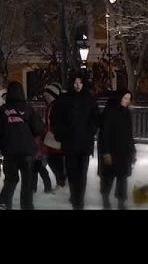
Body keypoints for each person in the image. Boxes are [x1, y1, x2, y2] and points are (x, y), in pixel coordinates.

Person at [0, 81, 44, 210]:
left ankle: (3, 203)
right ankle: (27, 206)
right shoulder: (28, 109)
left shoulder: (2, 111)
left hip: (9, 152)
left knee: (11, 180)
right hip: (27, 152)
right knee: (27, 182)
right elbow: (39, 128)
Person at [52, 73, 99, 209]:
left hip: (84, 144)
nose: (78, 85)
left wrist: (90, 130)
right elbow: (56, 119)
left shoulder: (89, 99)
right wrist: (61, 134)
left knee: (82, 175)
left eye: (80, 82)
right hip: (70, 144)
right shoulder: (64, 99)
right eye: (75, 82)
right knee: (72, 174)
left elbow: (95, 118)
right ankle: (75, 198)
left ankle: (79, 201)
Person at [98, 89, 136, 210]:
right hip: (111, 150)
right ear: (119, 98)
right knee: (108, 177)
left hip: (124, 151)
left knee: (122, 177)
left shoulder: (127, 113)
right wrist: (106, 152)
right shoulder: (109, 113)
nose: (127, 101)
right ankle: (105, 198)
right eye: (125, 98)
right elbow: (104, 134)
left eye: (129, 99)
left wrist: (132, 151)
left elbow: (129, 134)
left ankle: (121, 202)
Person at [41, 83, 66, 189]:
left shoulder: (55, 106)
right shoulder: (52, 106)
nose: (45, 98)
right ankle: (61, 181)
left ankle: (61, 182)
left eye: (47, 95)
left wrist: (49, 131)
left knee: (55, 161)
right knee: (54, 161)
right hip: (53, 139)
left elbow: (52, 122)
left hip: (55, 138)